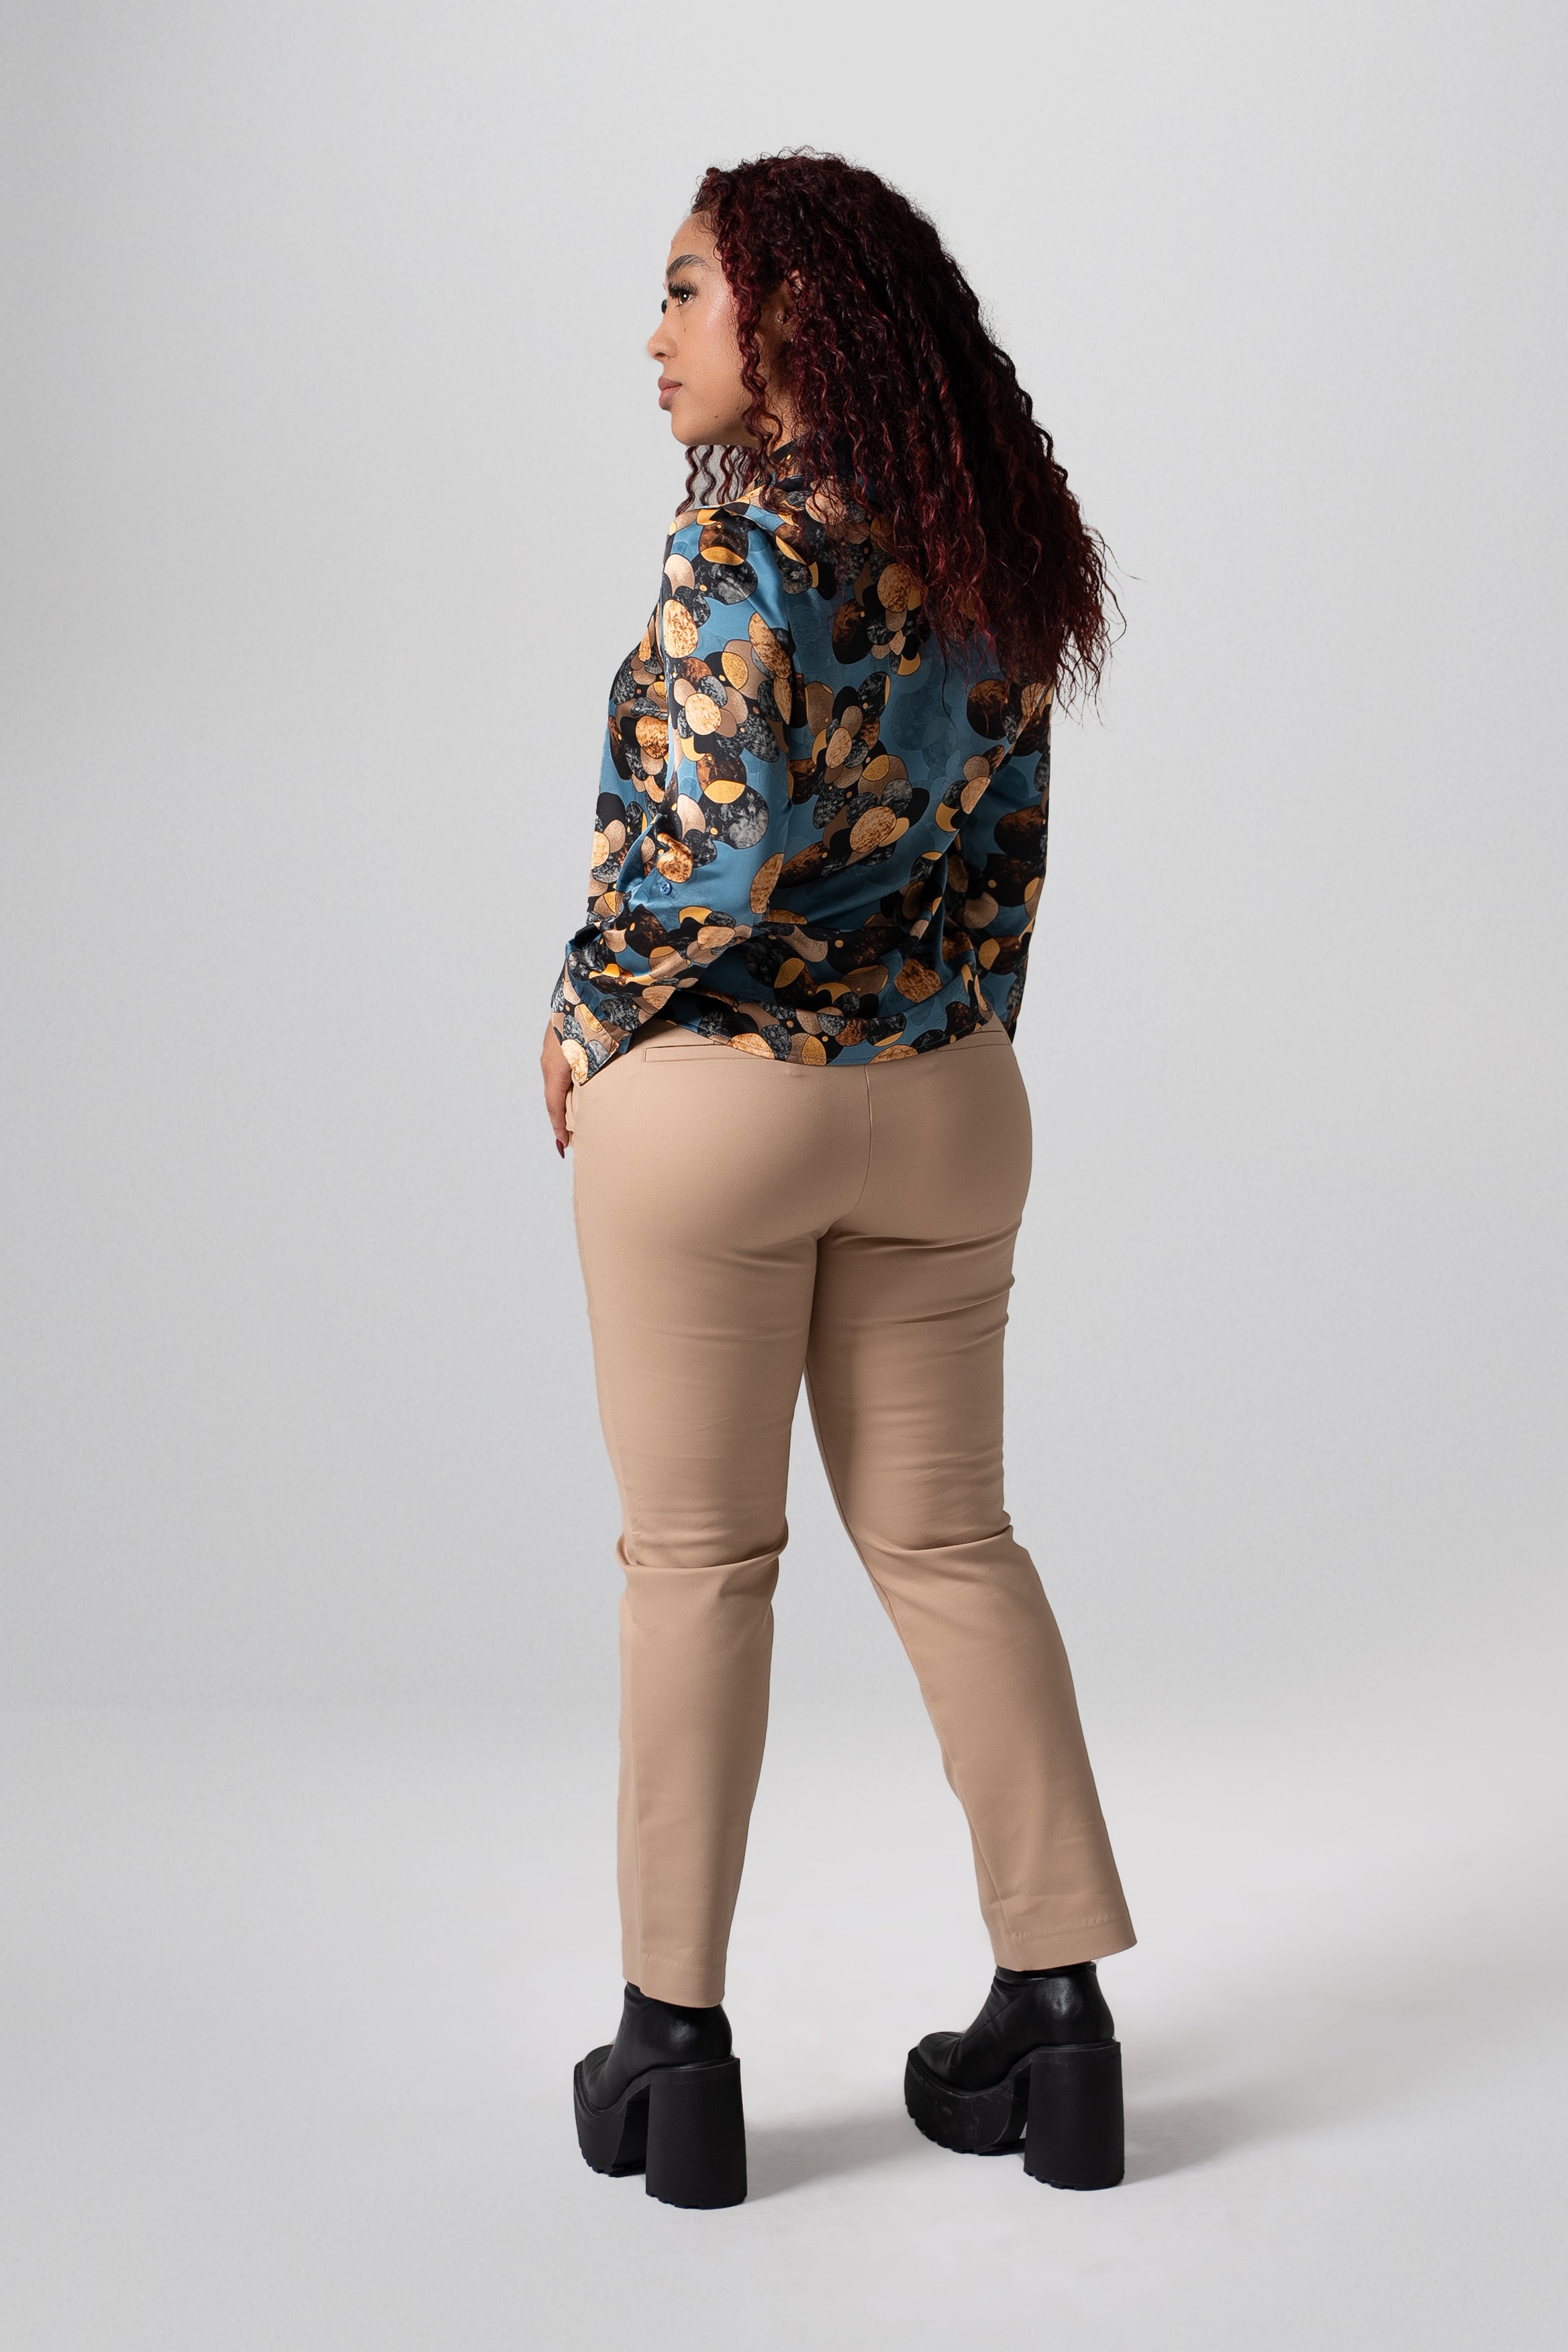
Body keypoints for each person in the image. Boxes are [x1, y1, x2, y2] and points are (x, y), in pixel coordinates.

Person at [541, 152, 1136, 2210]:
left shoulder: (740, 551)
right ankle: (1061, 2021)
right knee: (955, 1543)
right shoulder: (984, 546)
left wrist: (583, 1016)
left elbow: (702, 863)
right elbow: (1007, 866)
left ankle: (675, 2057)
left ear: (787, 317)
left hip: (721, 1109)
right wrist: (939, 1044)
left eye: (684, 289)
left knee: (700, 1567)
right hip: (949, 1097)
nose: (655, 335)